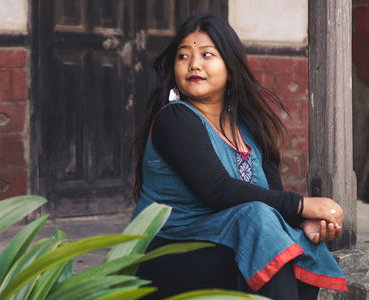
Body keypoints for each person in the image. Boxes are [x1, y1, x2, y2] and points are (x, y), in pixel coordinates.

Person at [131, 14, 348, 300]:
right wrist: (304, 205)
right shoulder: (175, 119)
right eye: (183, 56)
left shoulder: (250, 128)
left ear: (231, 67)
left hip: (223, 246)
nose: (194, 64)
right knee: (257, 221)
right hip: (167, 251)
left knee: (297, 242)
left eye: (207, 54)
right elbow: (217, 190)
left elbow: (272, 199)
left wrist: (301, 225)